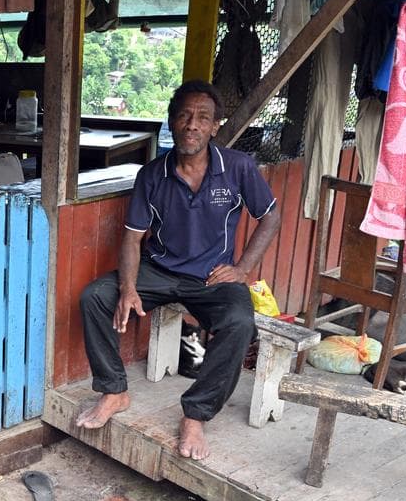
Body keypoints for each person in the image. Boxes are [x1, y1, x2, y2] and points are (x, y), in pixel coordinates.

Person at [75, 80, 282, 460]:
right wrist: (129, 288)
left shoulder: (237, 167)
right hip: (160, 269)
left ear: (215, 126)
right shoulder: (152, 175)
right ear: (171, 122)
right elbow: (133, 239)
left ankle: (196, 415)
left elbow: (269, 217)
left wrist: (242, 269)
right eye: (184, 115)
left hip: (211, 278)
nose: (192, 124)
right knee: (95, 297)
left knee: (240, 322)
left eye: (203, 117)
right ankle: (114, 390)